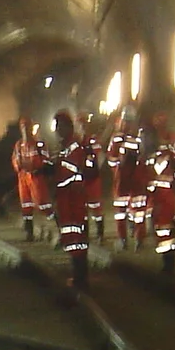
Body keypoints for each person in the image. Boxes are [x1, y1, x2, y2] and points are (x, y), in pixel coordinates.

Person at [50, 109, 97, 290]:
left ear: (67, 127)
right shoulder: (65, 148)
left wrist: (57, 174)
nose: (57, 131)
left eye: (59, 126)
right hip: (67, 198)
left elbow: (71, 171)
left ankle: (81, 278)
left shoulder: (74, 148)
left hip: (73, 198)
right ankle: (78, 276)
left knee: (77, 237)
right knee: (72, 237)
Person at [145, 112, 175, 274]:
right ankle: (167, 261)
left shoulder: (170, 141)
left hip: (166, 192)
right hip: (157, 192)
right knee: (161, 226)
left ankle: (169, 264)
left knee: (165, 226)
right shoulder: (153, 143)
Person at [106, 107, 147, 251]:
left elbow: (111, 159)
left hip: (129, 179)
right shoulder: (133, 138)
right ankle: (132, 239)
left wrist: (118, 168)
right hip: (127, 179)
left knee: (133, 212)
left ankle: (132, 239)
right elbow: (112, 159)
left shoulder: (127, 138)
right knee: (129, 212)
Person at [11, 121, 49, 241]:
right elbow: (15, 160)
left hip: (36, 177)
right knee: (26, 205)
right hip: (23, 178)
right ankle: (29, 233)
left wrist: (36, 167)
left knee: (43, 204)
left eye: (26, 127)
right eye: (23, 128)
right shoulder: (19, 145)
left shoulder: (39, 144)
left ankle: (56, 227)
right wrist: (19, 167)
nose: (25, 130)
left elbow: (45, 159)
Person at [80, 113, 107, 243]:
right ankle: (84, 233)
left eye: (83, 124)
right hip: (81, 178)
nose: (82, 127)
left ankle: (100, 233)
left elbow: (100, 157)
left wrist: (95, 170)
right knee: (82, 207)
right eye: (80, 124)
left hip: (92, 178)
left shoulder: (93, 140)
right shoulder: (77, 141)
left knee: (96, 206)